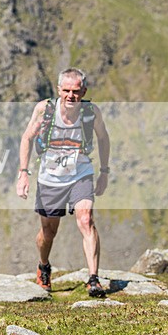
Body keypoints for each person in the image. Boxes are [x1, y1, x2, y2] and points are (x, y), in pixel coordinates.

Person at [16, 68, 111, 297]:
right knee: (48, 232)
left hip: (80, 173)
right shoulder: (44, 110)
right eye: (66, 90)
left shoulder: (91, 112)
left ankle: (93, 279)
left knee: (86, 220)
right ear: (59, 90)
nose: (71, 96)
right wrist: (23, 172)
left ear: (84, 91)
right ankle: (44, 265)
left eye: (76, 91)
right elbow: (27, 137)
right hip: (51, 177)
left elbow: (103, 137)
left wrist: (104, 172)